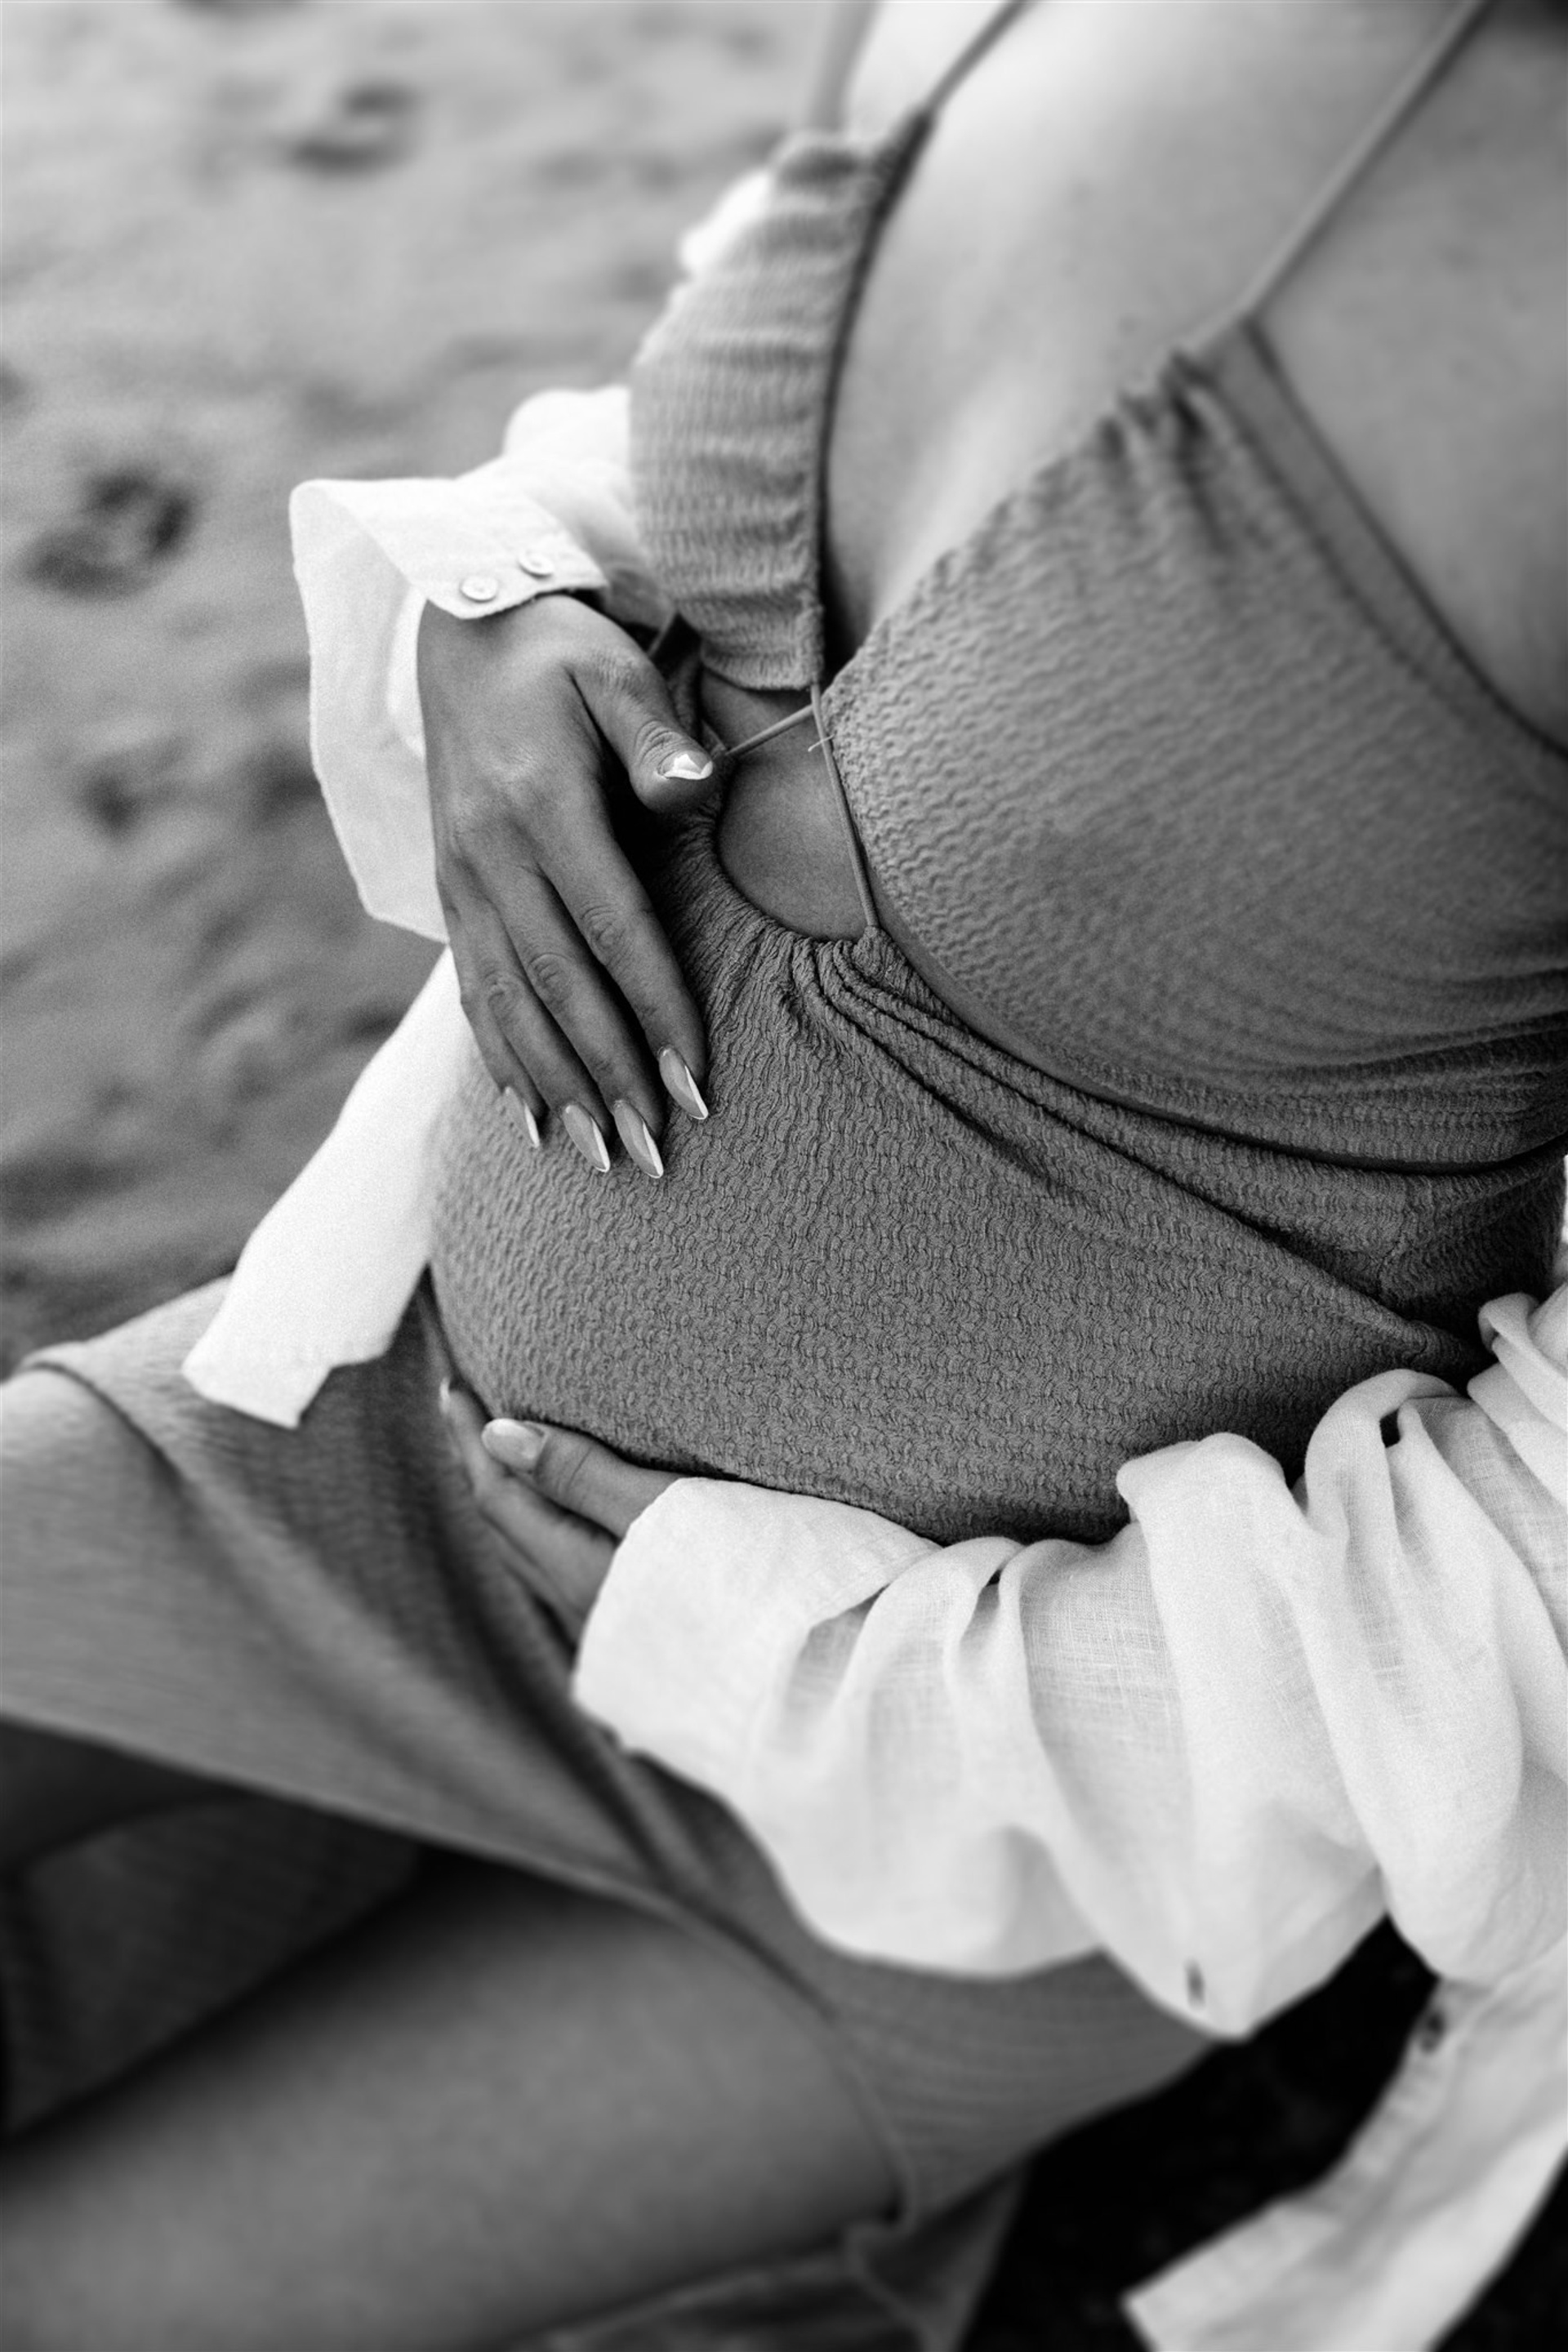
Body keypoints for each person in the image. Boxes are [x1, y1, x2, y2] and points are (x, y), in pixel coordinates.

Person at [1, 2, 1564, 2346]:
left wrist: (823, 1674)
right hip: (353, 1452)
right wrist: (504, 601)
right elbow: (732, 413)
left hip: (931, 1825)